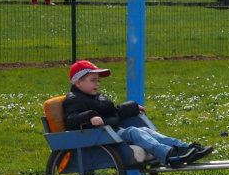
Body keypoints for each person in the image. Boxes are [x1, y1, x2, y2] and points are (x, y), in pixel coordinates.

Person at [62, 60, 213, 168]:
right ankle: (168, 155)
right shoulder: (73, 99)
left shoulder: (96, 97)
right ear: (78, 83)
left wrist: (133, 108)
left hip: (112, 133)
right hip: (98, 137)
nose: (97, 84)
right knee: (134, 131)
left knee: (145, 130)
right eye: (93, 80)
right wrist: (90, 117)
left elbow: (114, 112)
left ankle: (185, 148)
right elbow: (71, 119)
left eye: (98, 81)